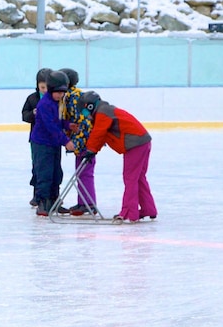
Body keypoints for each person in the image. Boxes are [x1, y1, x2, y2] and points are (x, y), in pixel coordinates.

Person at [69, 91, 157, 223]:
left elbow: (99, 133)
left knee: (130, 178)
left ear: (90, 106)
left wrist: (90, 150)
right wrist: (93, 150)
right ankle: (148, 209)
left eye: (84, 110)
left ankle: (129, 212)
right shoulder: (104, 111)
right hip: (142, 142)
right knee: (138, 177)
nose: (84, 114)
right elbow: (102, 135)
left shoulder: (103, 112)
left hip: (135, 144)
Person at [29, 69, 75, 217]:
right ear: (51, 90)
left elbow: (59, 121)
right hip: (42, 144)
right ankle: (42, 202)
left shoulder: (57, 102)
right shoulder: (44, 104)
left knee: (56, 173)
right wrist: (66, 141)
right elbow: (51, 127)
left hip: (53, 144)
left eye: (63, 92)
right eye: (58, 92)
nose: (61, 95)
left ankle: (55, 201)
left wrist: (68, 125)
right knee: (45, 173)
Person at [58, 68, 97, 216]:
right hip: (80, 139)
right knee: (80, 172)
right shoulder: (68, 96)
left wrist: (81, 141)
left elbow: (84, 121)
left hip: (84, 140)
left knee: (85, 172)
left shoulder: (76, 96)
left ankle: (89, 203)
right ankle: (83, 202)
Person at [22, 68, 51, 207]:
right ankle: (36, 195)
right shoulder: (32, 98)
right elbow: (24, 115)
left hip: (51, 138)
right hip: (36, 139)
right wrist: (32, 114)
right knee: (37, 167)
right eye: (42, 87)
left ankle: (50, 196)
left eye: (47, 87)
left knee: (51, 169)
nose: (45, 90)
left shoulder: (54, 98)